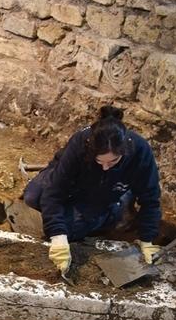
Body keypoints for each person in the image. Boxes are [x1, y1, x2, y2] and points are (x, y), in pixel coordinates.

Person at [22, 105, 162, 274]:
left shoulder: (140, 151)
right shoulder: (81, 143)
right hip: (78, 184)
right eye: (99, 161)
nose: (105, 167)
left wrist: (147, 239)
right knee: (32, 196)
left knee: (72, 229)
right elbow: (55, 191)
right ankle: (76, 210)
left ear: (123, 152)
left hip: (106, 193)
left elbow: (151, 199)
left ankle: (117, 208)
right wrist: (57, 235)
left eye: (112, 162)